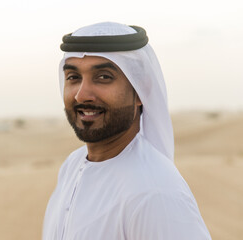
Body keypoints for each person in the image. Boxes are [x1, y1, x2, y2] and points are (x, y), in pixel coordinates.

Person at [43, 22, 211, 240]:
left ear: (142, 90)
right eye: (74, 77)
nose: (81, 95)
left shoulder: (155, 193)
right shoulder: (71, 167)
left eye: (103, 77)